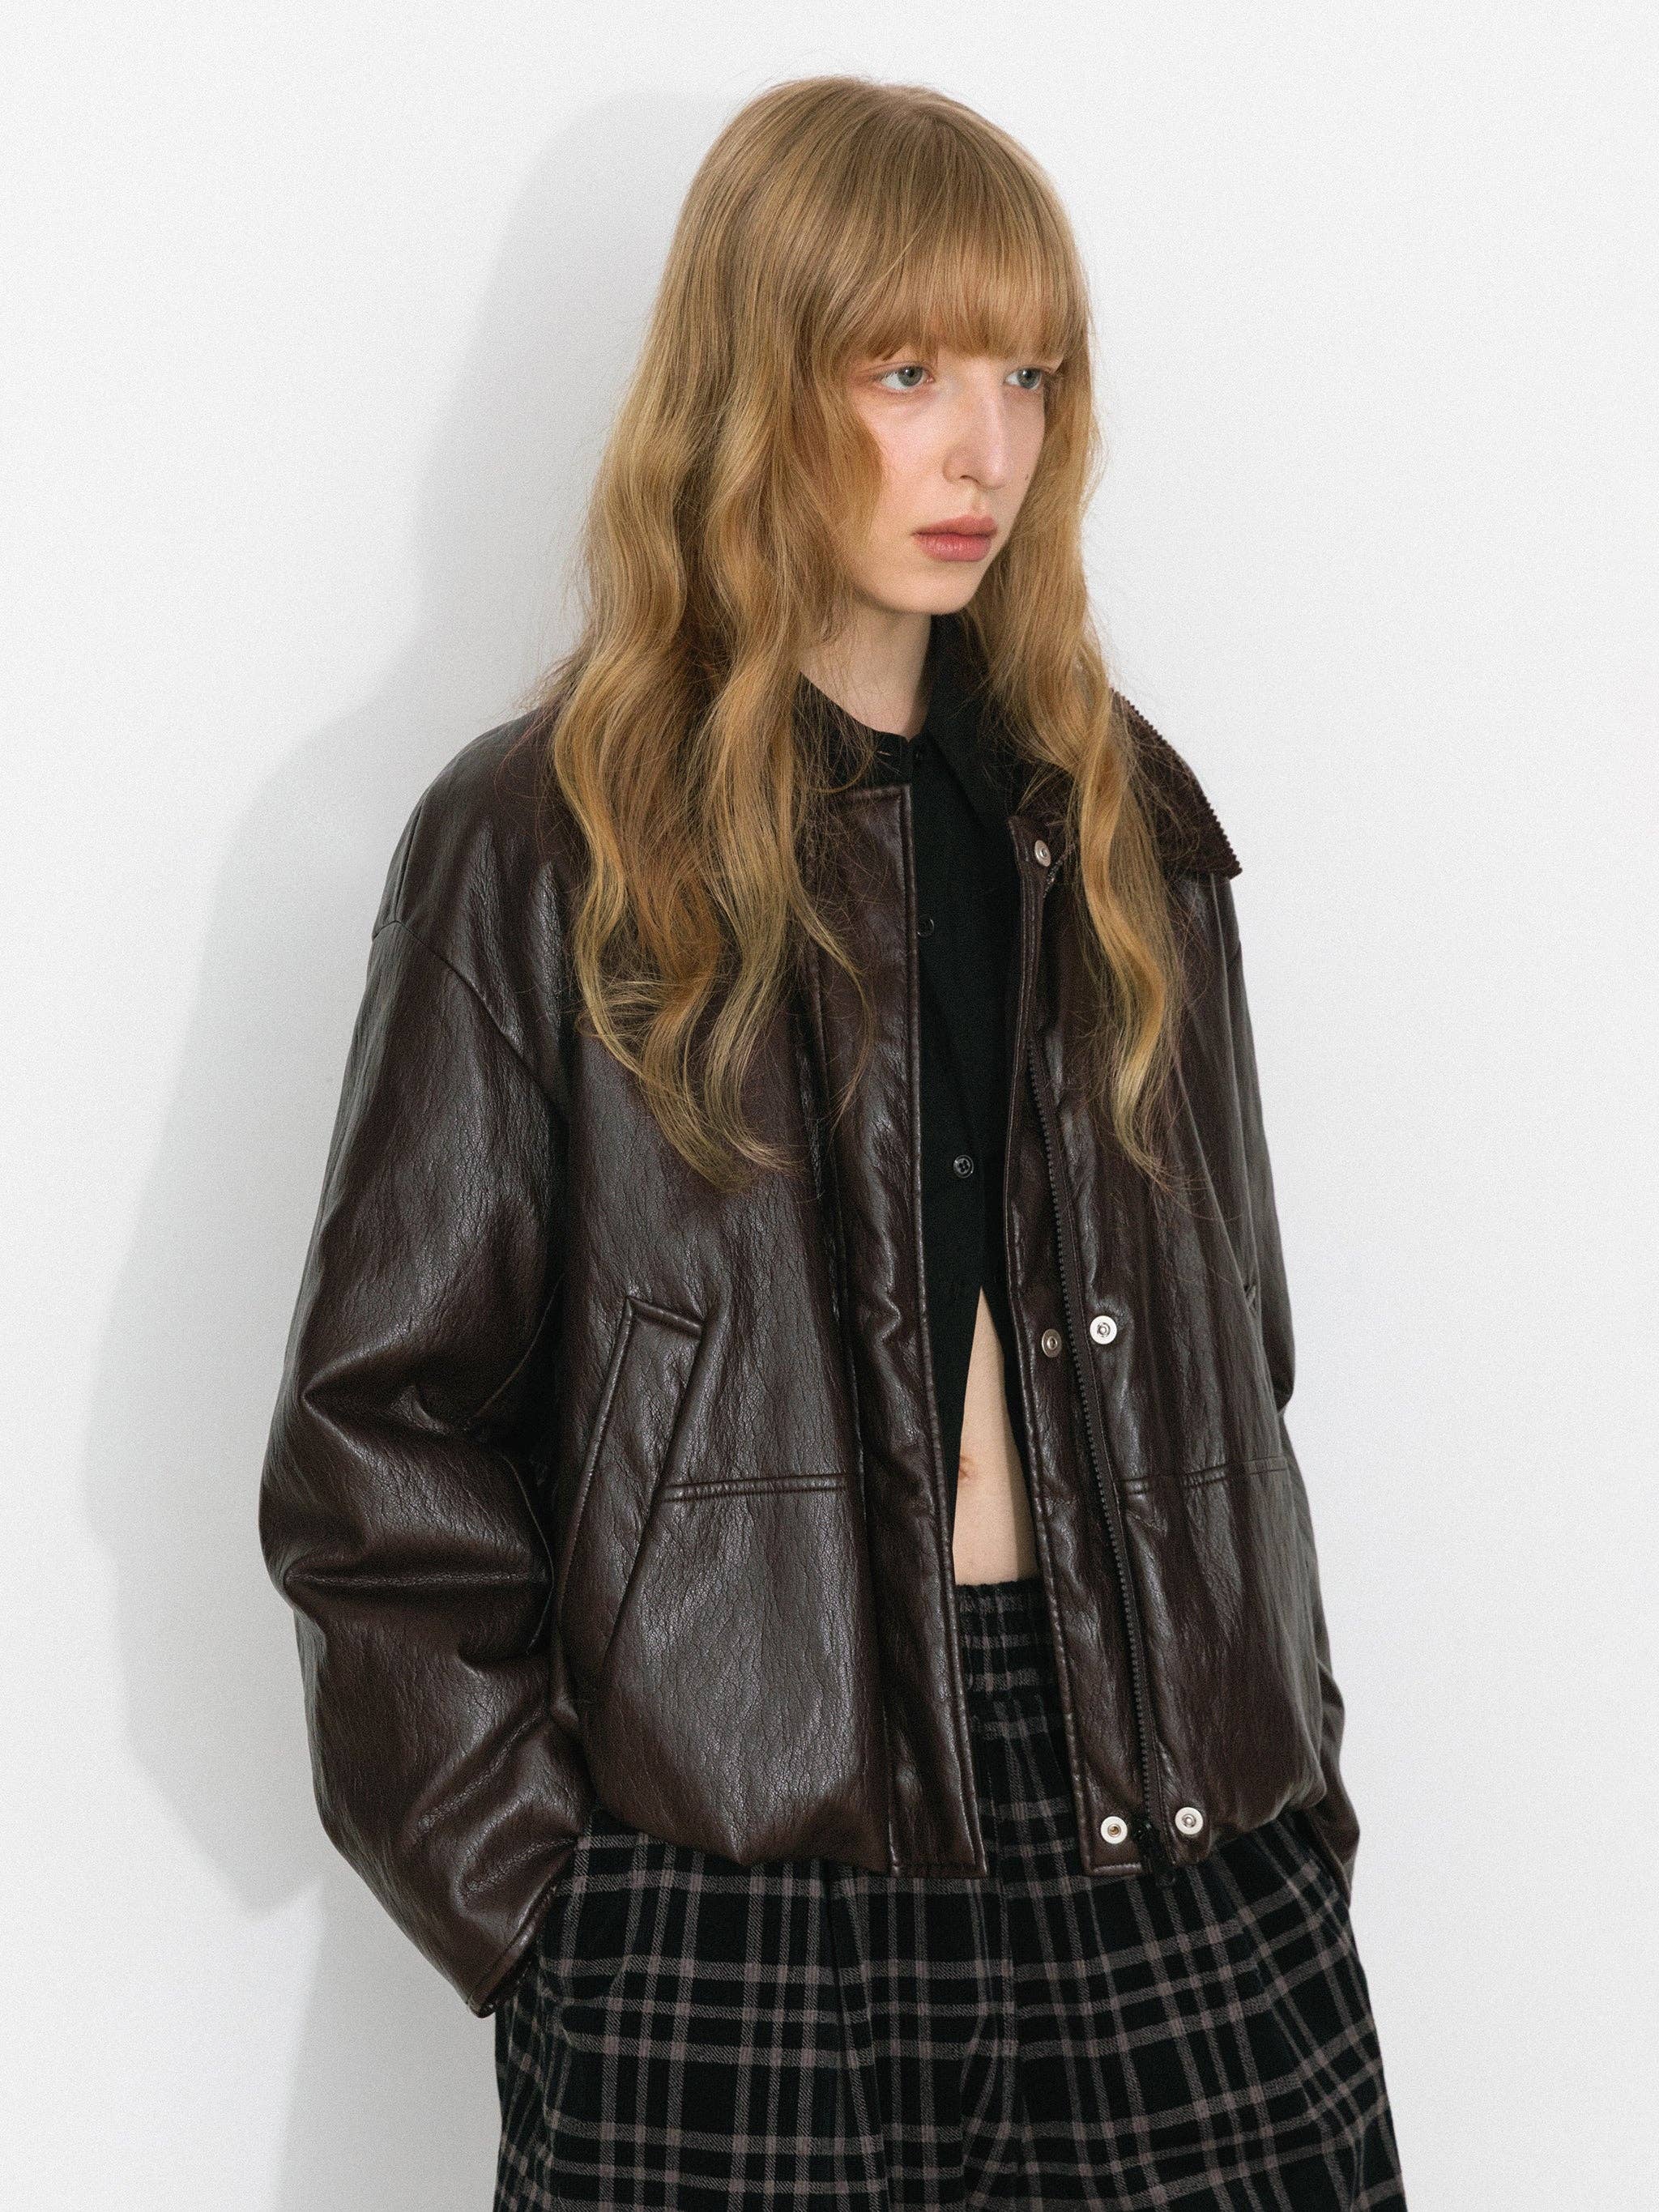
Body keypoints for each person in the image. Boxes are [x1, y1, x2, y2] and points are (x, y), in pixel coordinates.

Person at [258, 73, 1406, 2210]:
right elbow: (377, 1437)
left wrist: (1294, 1797)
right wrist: (548, 1915)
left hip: (1174, 1843)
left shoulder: (1122, 823)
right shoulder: (547, 848)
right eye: (907, 373)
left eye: (1027, 375)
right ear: (754, 382)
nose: (987, 451)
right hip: (728, 1887)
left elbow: (1238, 1363)